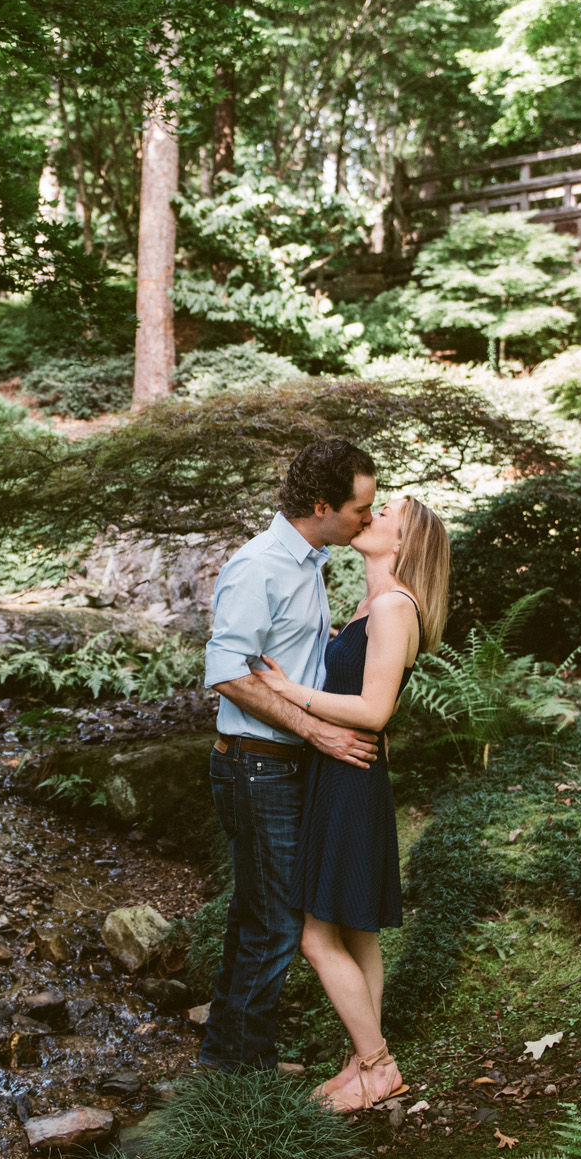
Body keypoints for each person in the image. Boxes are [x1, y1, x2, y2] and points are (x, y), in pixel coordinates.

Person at [252, 495, 450, 1111]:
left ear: (405, 541)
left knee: (318, 936)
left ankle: (378, 1066)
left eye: (385, 512)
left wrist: (288, 691)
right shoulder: (373, 603)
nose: (371, 514)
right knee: (358, 932)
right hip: (340, 768)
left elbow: (374, 710)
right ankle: (359, 1061)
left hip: (349, 774)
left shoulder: (393, 606)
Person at [198, 439, 381, 1072]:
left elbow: (287, 653)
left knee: (261, 916)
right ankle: (239, 1079)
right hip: (256, 765)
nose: (368, 518)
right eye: (361, 508)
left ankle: (233, 1058)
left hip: (283, 764)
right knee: (276, 925)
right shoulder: (261, 565)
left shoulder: (309, 561)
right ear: (322, 505)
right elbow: (224, 670)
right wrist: (319, 731)